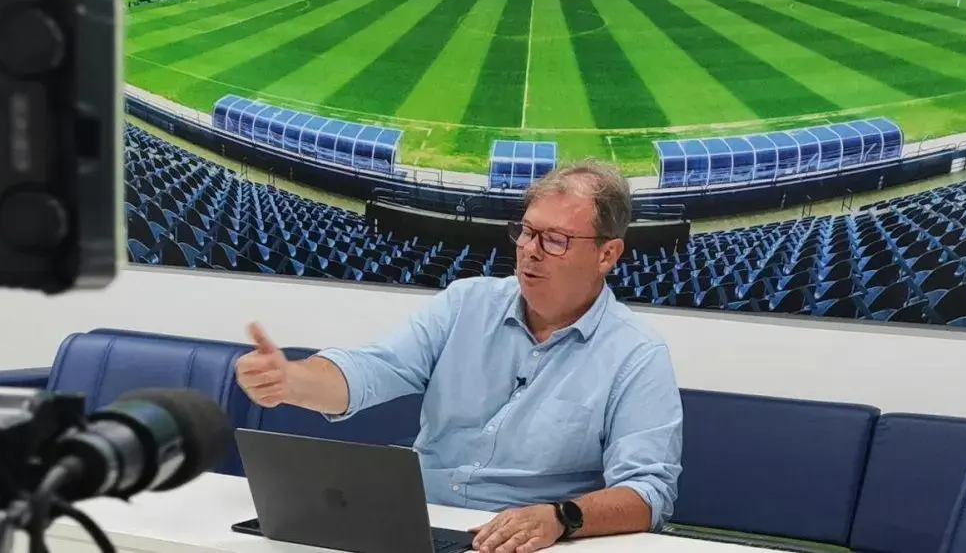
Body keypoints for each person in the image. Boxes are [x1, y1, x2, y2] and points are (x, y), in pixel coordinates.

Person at [235, 159, 683, 553]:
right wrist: (291, 380)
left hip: (524, 543)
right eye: (526, 231)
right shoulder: (465, 304)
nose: (529, 250)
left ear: (607, 253)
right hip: (419, 527)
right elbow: (372, 370)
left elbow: (648, 493)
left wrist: (560, 518)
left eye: (556, 240)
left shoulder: (636, 355)